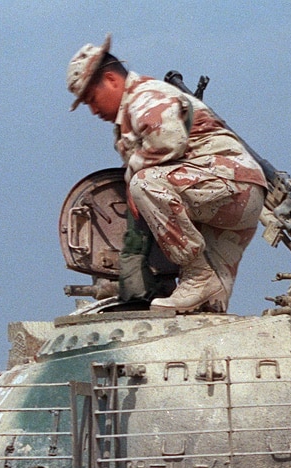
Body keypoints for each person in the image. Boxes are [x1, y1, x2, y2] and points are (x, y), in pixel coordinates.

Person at [67, 36, 268, 313]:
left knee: (145, 183)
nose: (93, 110)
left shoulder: (143, 98)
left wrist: (133, 177)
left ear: (112, 80)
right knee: (205, 304)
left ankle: (198, 274)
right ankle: (202, 284)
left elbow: (167, 141)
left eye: (92, 98)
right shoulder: (132, 114)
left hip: (226, 184)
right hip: (232, 198)